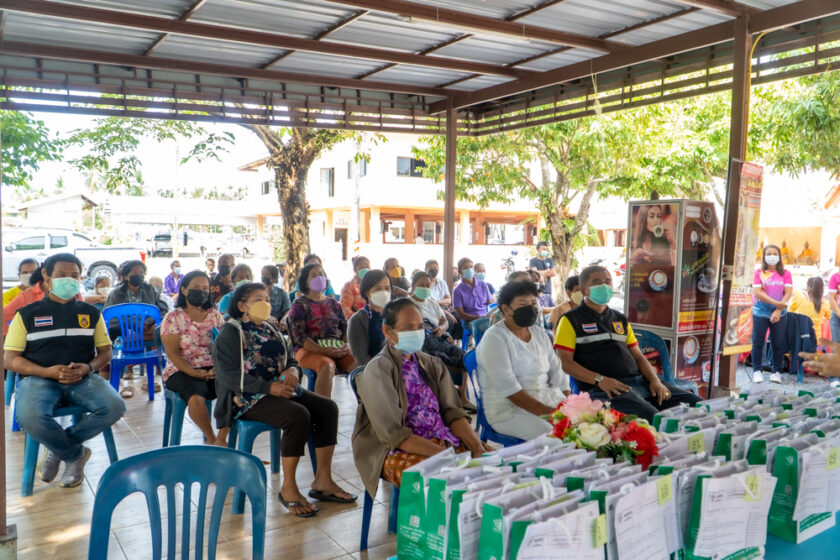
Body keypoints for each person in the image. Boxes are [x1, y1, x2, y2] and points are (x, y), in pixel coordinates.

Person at [214, 283, 356, 517]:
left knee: (327, 408)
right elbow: (228, 375)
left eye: (267, 299)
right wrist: (268, 387)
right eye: (258, 299)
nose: (266, 303)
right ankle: (288, 488)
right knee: (297, 415)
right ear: (242, 305)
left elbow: (290, 358)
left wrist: (292, 371)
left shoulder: (270, 327)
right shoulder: (232, 331)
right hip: (247, 397)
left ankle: (323, 480)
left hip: (281, 389)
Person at [3, 253, 125, 488]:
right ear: (47, 276)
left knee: (115, 406)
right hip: (39, 378)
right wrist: (47, 372)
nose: (69, 280)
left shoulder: (91, 313)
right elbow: (9, 359)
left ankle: (59, 449)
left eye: (74, 275)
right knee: (31, 418)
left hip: (83, 377)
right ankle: (74, 454)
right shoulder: (27, 314)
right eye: (61, 275)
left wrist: (89, 367)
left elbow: (106, 352)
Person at [352, 298, 486, 498]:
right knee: (447, 483)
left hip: (441, 437)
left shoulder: (432, 364)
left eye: (420, 326)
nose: (416, 332)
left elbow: (452, 412)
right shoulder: (378, 369)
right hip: (394, 449)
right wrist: (447, 457)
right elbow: (394, 435)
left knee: (492, 466)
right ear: (387, 331)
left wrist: (476, 447)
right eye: (408, 327)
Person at [554, 265, 701, 421]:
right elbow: (566, 364)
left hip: (641, 382)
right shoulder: (570, 320)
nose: (604, 286)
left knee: (696, 405)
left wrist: (655, 381)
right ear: (583, 290)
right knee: (654, 418)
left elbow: (638, 356)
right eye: (597, 282)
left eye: (607, 281)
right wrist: (600, 380)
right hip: (606, 389)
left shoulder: (620, 319)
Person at [478, 281, 570, 439]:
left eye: (533, 303)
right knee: (557, 438)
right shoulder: (495, 338)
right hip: (509, 411)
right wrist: (550, 414)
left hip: (547, 400)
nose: (530, 308)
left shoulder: (539, 333)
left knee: (589, 429)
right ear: (505, 309)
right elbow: (510, 390)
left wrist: (569, 405)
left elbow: (558, 374)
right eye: (523, 304)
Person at [160, 271, 226, 446]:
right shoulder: (173, 318)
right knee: (196, 397)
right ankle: (212, 439)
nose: (201, 292)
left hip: (212, 369)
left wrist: (217, 368)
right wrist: (193, 373)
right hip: (181, 369)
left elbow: (223, 346)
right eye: (196, 287)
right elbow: (172, 353)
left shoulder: (215, 315)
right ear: (184, 290)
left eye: (205, 288)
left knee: (234, 392)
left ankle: (222, 437)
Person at [288, 263, 355, 397]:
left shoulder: (334, 304)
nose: (319, 277)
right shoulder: (299, 304)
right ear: (305, 282)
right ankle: (324, 408)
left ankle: (364, 405)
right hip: (308, 350)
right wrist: (323, 350)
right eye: (313, 275)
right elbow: (299, 337)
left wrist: (346, 346)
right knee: (327, 366)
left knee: (359, 366)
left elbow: (344, 329)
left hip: (336, 348)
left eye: (321, 274)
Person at [751, 244, 793, 384]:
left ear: (779, 256)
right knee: (758, 342)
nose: (772, 256)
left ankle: (776, 372)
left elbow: (788, 293)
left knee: (778, 343)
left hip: (780, 313)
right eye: (769, 253)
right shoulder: (759, 272)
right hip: (760, 312)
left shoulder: (786, 273)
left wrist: (778, 310)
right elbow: (757, 293)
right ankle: (757, 371)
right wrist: (777, 304)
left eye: (775, 253)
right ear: (764, 256)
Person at [347, 269, 392, 367]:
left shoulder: (395, 315)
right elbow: (362, 360)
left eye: (387, 288)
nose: (384, 292)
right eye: (378, 289)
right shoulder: (357, 320)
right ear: (367, 292)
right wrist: (388, 370)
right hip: (374, 370)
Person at [3, 266, 51, 334]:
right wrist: (10, 337)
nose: (29, 275)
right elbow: (3, 316)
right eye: (25, 272)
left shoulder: (63, 295)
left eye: (32, 272)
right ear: (43, 273)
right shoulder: (25, 296)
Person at [452, 258, 493, 323]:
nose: (469, 270)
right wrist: (479, 317)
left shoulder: (482, 284)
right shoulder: (457, 291)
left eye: (471, 267)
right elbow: (461, 314)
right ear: (460, 272)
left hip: (487, 317)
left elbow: (489, 303)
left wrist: (490, 315)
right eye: (466, 268)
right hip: (471, 321)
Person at [529, 241, 557, 307]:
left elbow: (553, 273)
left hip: (548, 289)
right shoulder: (533, 261)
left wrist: (540, 273)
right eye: (543, 249)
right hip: (537, 290)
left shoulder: (549, 260)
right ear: (538, 250)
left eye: (546, 249)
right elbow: (534, 273)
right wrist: (547, 271)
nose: (545, 251)